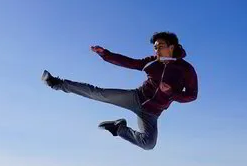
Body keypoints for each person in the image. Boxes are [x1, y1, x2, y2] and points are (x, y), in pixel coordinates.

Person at [41, 31, 198, 150]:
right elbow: (129, 62)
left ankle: (118, 128)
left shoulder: (186, 70)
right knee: (97, 93)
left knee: (149, 144)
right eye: (155, 47)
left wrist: (171, 93)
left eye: (160, 47)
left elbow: (192, 95)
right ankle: (56, 83)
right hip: (136, 98)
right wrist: (106, 55)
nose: (156, 51)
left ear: (172, 47)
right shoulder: (152, 62)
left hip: (152, 113)